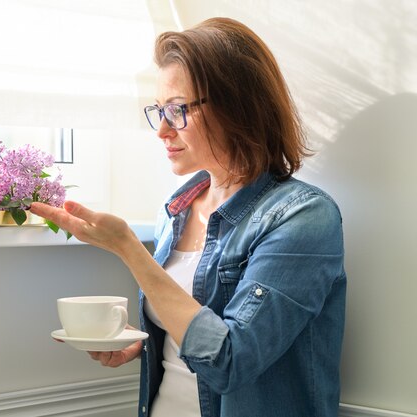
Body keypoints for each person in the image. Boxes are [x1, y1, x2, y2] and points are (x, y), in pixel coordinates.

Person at [30, 17, 346, 417]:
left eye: (177, 110)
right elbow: (190, 328)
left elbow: (231, 361)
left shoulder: (303, 217)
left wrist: (130, 250)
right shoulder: (175, 211)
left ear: (238, 108)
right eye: (158, 111)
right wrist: (144, 342)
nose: (162, 130)